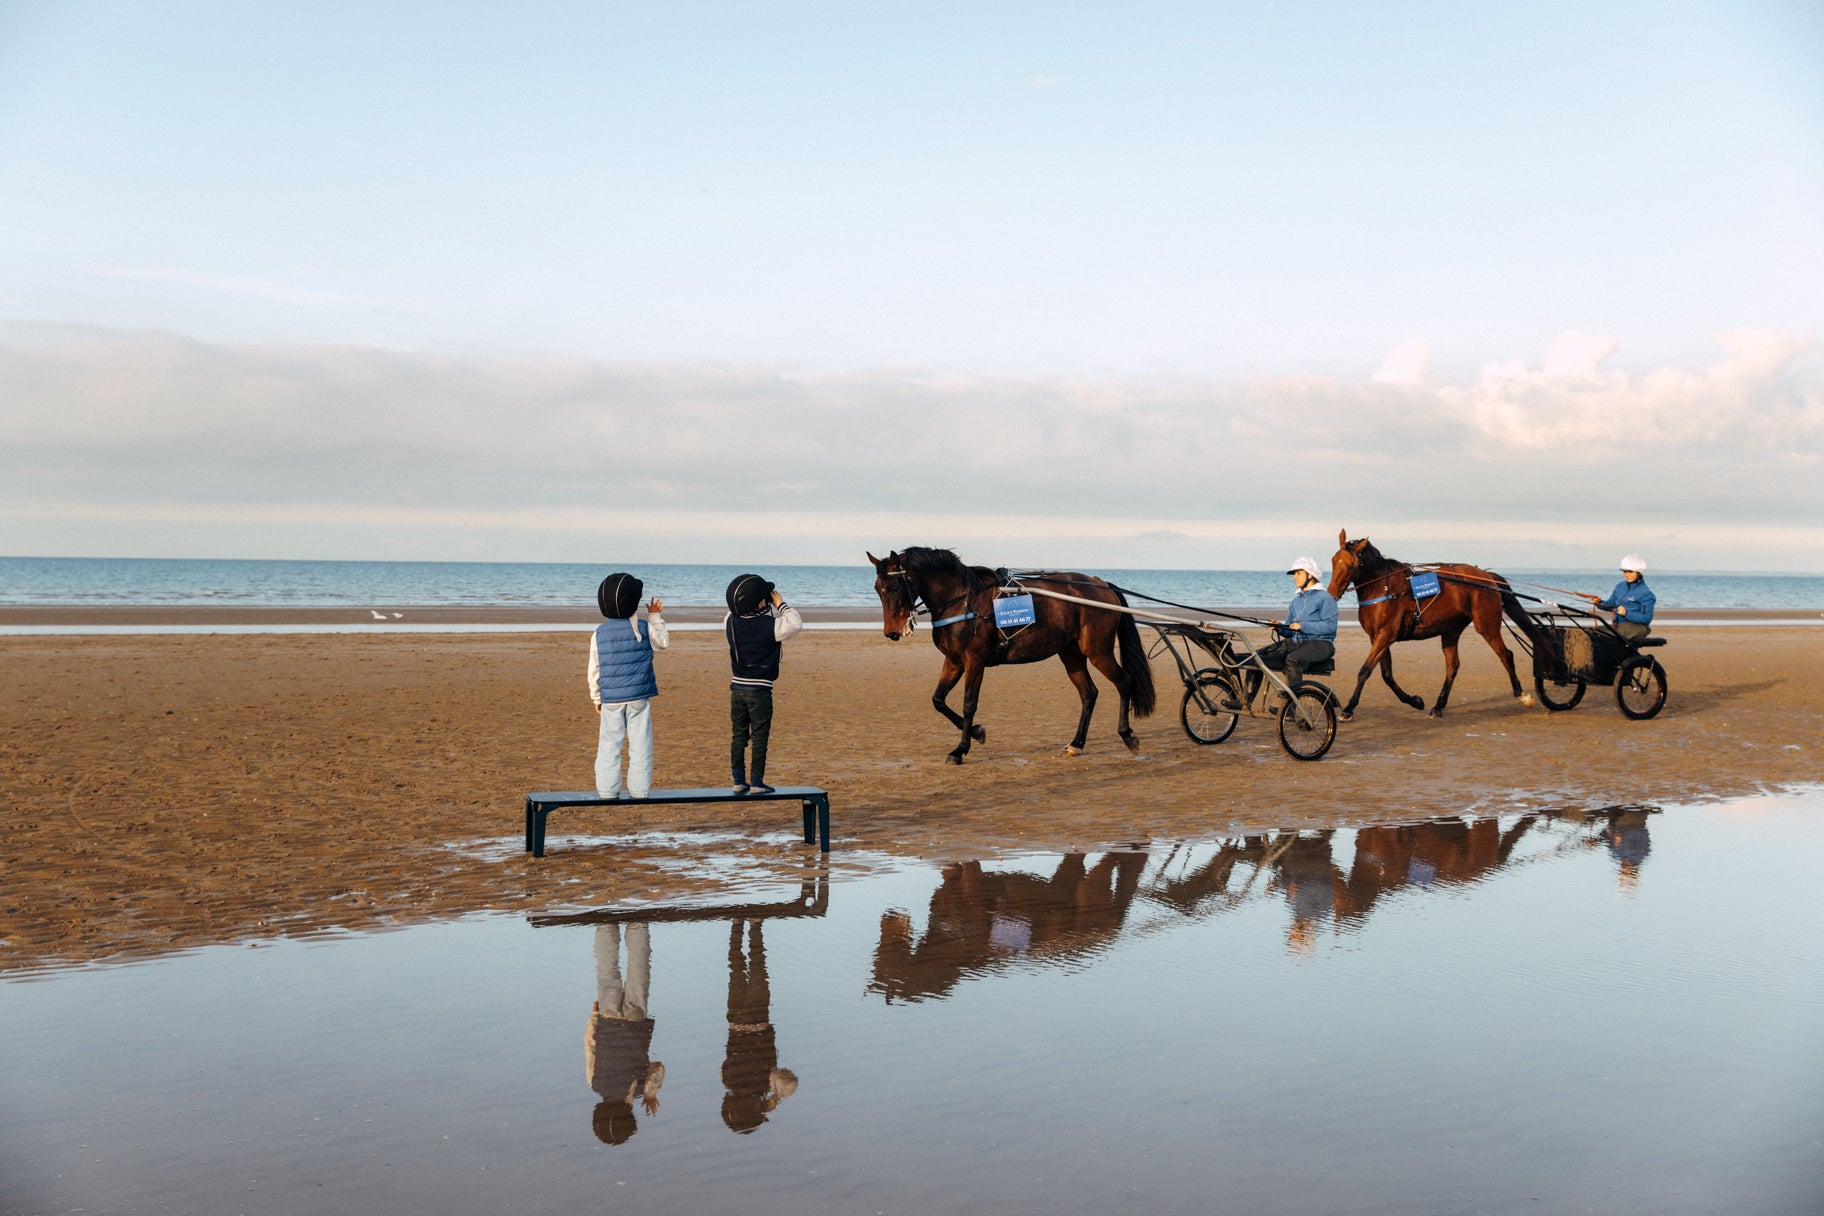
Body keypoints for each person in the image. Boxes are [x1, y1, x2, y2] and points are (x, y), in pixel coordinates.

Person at [589, 572, 669, 799]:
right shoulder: (644, 627)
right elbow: (663, 643)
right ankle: (639, 791)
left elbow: (594, 669)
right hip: (638, 697)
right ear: (634, 603)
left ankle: (607, 791)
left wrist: (597, 697)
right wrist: (654, 618)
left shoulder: (599, 633)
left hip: (611, 699)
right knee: (641, 746)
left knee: (609, 746)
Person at [585, 921, 663, 1145]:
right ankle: (605, 928)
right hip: (608, 1019)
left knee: (639, 972)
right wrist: (594, 1017)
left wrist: (650, 1094)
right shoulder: (594, 1083)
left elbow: (658, 1068)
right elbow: (590, 1046)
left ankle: (638, 927)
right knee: (607, 972)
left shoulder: (638, 1089)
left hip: (635, 1023)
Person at [724, 573, 803, 795]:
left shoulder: (730, 622)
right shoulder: (770, 626)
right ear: (759, 603)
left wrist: (751, 600)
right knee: (759, 736)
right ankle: (757, 782)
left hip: (736, 689)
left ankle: (738, 780)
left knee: (738, 735)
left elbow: (734, 610)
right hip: (760, 690)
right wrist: (781, 605)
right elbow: (796, 623)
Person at [1255, 556, 1338, 693]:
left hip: (1321, 644)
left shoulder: (1325, 598)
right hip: (1295, 643)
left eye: (1298, 573)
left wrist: (1303, 626)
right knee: (1256, 657)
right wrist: (1280, 627)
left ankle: (1289, 708)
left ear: (1310, 574)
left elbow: (1330, 626)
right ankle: (1244, 702)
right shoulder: (1295, 601)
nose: (1295, 577)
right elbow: (1290, 630)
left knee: (1293, 660)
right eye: (1294, 574)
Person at [1582, 555, 1655, 642]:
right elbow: (1611, 604)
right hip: (1619, 626)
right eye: (1624, 572)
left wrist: (1626, 613)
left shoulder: (1646, 594)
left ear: (1638, 573)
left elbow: (1646, 618)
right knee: (1592, 632)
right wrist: (1599, 603)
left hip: (1638, 627)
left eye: (1630, 572)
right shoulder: (1620, 587)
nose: (1626, 575)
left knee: (1609, 636)